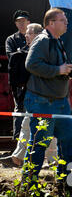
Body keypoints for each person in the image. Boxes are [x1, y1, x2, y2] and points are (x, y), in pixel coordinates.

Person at [22, 8, 72, 184]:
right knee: (40, 143)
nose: (67, 22)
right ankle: (28, 184)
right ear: (51, 23)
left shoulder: (57, 40)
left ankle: (67, 181)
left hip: (59, 101)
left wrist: (67, 71)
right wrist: (58, 70)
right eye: (63, 20)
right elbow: (31, 64)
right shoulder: (43, 40)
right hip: (42, 101)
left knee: (69, 138)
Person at [0, 23, 58, 168]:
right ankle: (19, 157)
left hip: (43, 95)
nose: (25, 35)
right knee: (29, 125)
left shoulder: (42, 49)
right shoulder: (32, 49)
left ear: (37, 34)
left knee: (44, 126)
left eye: (29, 33)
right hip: (34, 95)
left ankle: (51, 159)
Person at [5, 10, 31, 141]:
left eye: (23, 21)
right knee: (19, 108)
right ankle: (17, 139)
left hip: (32, 79)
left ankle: (31, 139)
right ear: (16, 24)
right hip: (19, 80)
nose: (21, 24)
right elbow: (11, 56)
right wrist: (26, 52)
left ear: (28, 22)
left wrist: (20, 53)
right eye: (18, 21)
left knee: (32, 109)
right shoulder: (11, 39)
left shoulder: (34, 37)